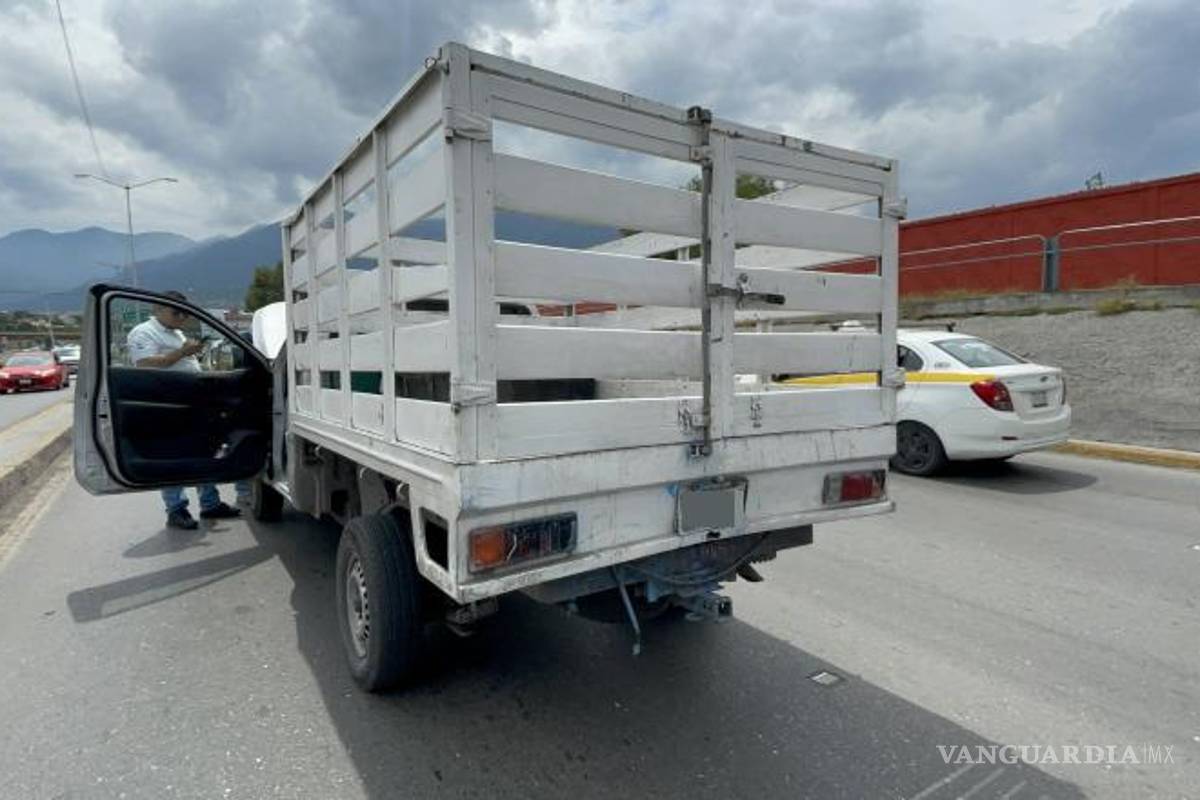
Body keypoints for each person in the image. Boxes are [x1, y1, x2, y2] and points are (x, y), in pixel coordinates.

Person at [127, 290, 242, 530]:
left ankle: (210, 504)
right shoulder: (143, 332)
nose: (181, 317)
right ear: (157, 309)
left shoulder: (176, 333)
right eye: (175, 312)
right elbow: (145, 364)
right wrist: (182, 352)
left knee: (202, 453)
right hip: (166, 405)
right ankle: (176, 509)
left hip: (191, 403)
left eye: (184, 313)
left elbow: (180, 363)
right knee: (172, 457)